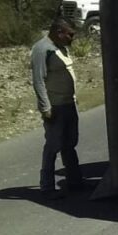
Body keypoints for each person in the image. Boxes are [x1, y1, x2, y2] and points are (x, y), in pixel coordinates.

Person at [32, 19, 83, 200]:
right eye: (69, 34)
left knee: (70, 144)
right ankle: (47, 186)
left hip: (69, 104)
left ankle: (75, 181)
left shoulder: (60, 47)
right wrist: (46, 107)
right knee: (53, 146)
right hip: (55, 107)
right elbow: (38, 80)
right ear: (59, 31)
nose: (72, 37)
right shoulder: (42, 49)